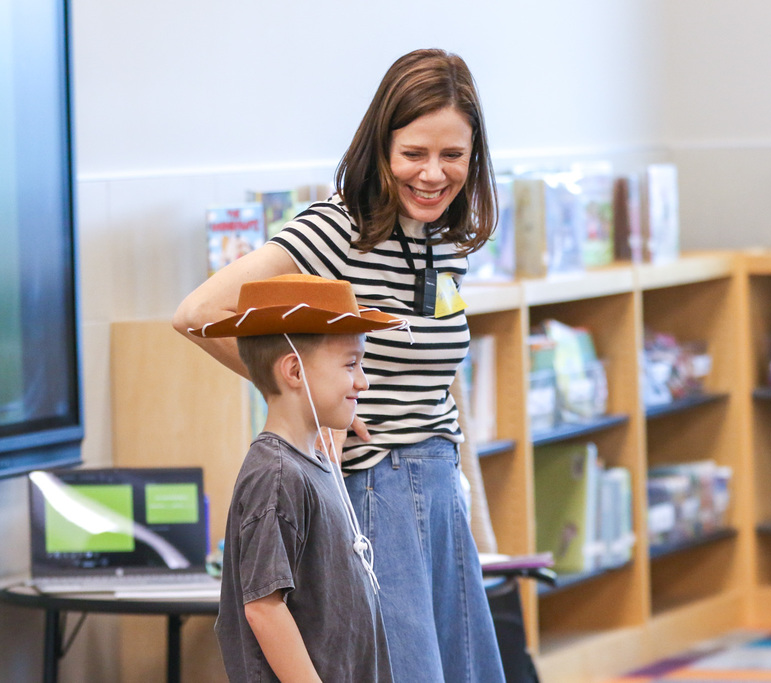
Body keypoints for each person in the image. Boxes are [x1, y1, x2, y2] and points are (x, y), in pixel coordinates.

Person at [174, 48, 505, 681]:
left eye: (452, 156)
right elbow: (197, 313)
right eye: (414, 154)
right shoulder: (335, 230)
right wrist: (302, 400)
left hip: (439, 485)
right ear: (381, 148)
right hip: (376, 487)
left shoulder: (445, 238)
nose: (433, 175)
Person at [200, 273, 405, 682]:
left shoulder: (314, 464)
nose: (362, 381)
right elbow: (264, 607)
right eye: (351, 364)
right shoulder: (275, 475)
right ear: (294, 370)